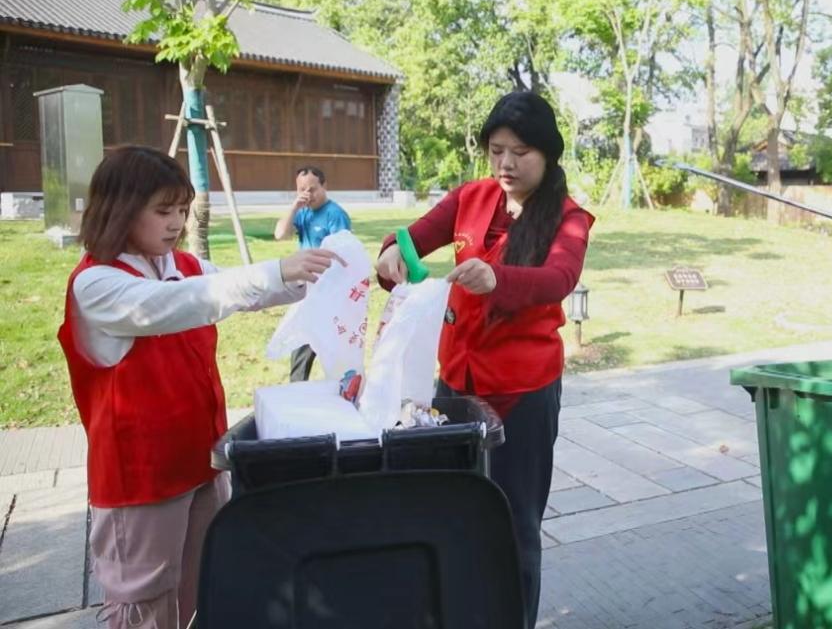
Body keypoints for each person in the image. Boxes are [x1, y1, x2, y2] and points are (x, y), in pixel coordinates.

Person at [60, 146, 341, 629]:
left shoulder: (181, 265)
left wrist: (314, 275)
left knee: (203, 585)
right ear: (121, 209)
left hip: (200, 462)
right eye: (162, 211)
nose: (176, 223)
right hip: (140, 478)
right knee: (144, 603)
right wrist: (278, 270)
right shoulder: (97, 284)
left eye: (181, 210)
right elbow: (183, 302)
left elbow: (237, 289)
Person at [375, 91, 594, 628]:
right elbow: (410, 240)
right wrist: (391, 254)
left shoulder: (568, 218)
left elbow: (559, 278)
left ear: (548, 154)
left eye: (520, 152)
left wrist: (499, 278)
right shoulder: (470, 198)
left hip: (522, 391)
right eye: (497, 151)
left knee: (515, 523)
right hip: (456, 382)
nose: (506, 164)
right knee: (453, 511)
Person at [273, 165, 352, 380]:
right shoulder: (303, 213)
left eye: (312, 189)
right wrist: (294, 207)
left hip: (329, 294)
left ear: (324, 186)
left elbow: (344, 254)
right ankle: (297, 389)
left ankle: (341, 387)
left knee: (332, 350)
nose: (308, 194)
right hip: (307, 292)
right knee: (301, 345)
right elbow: (280, 234)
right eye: (302, 189)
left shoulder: (335, 215)